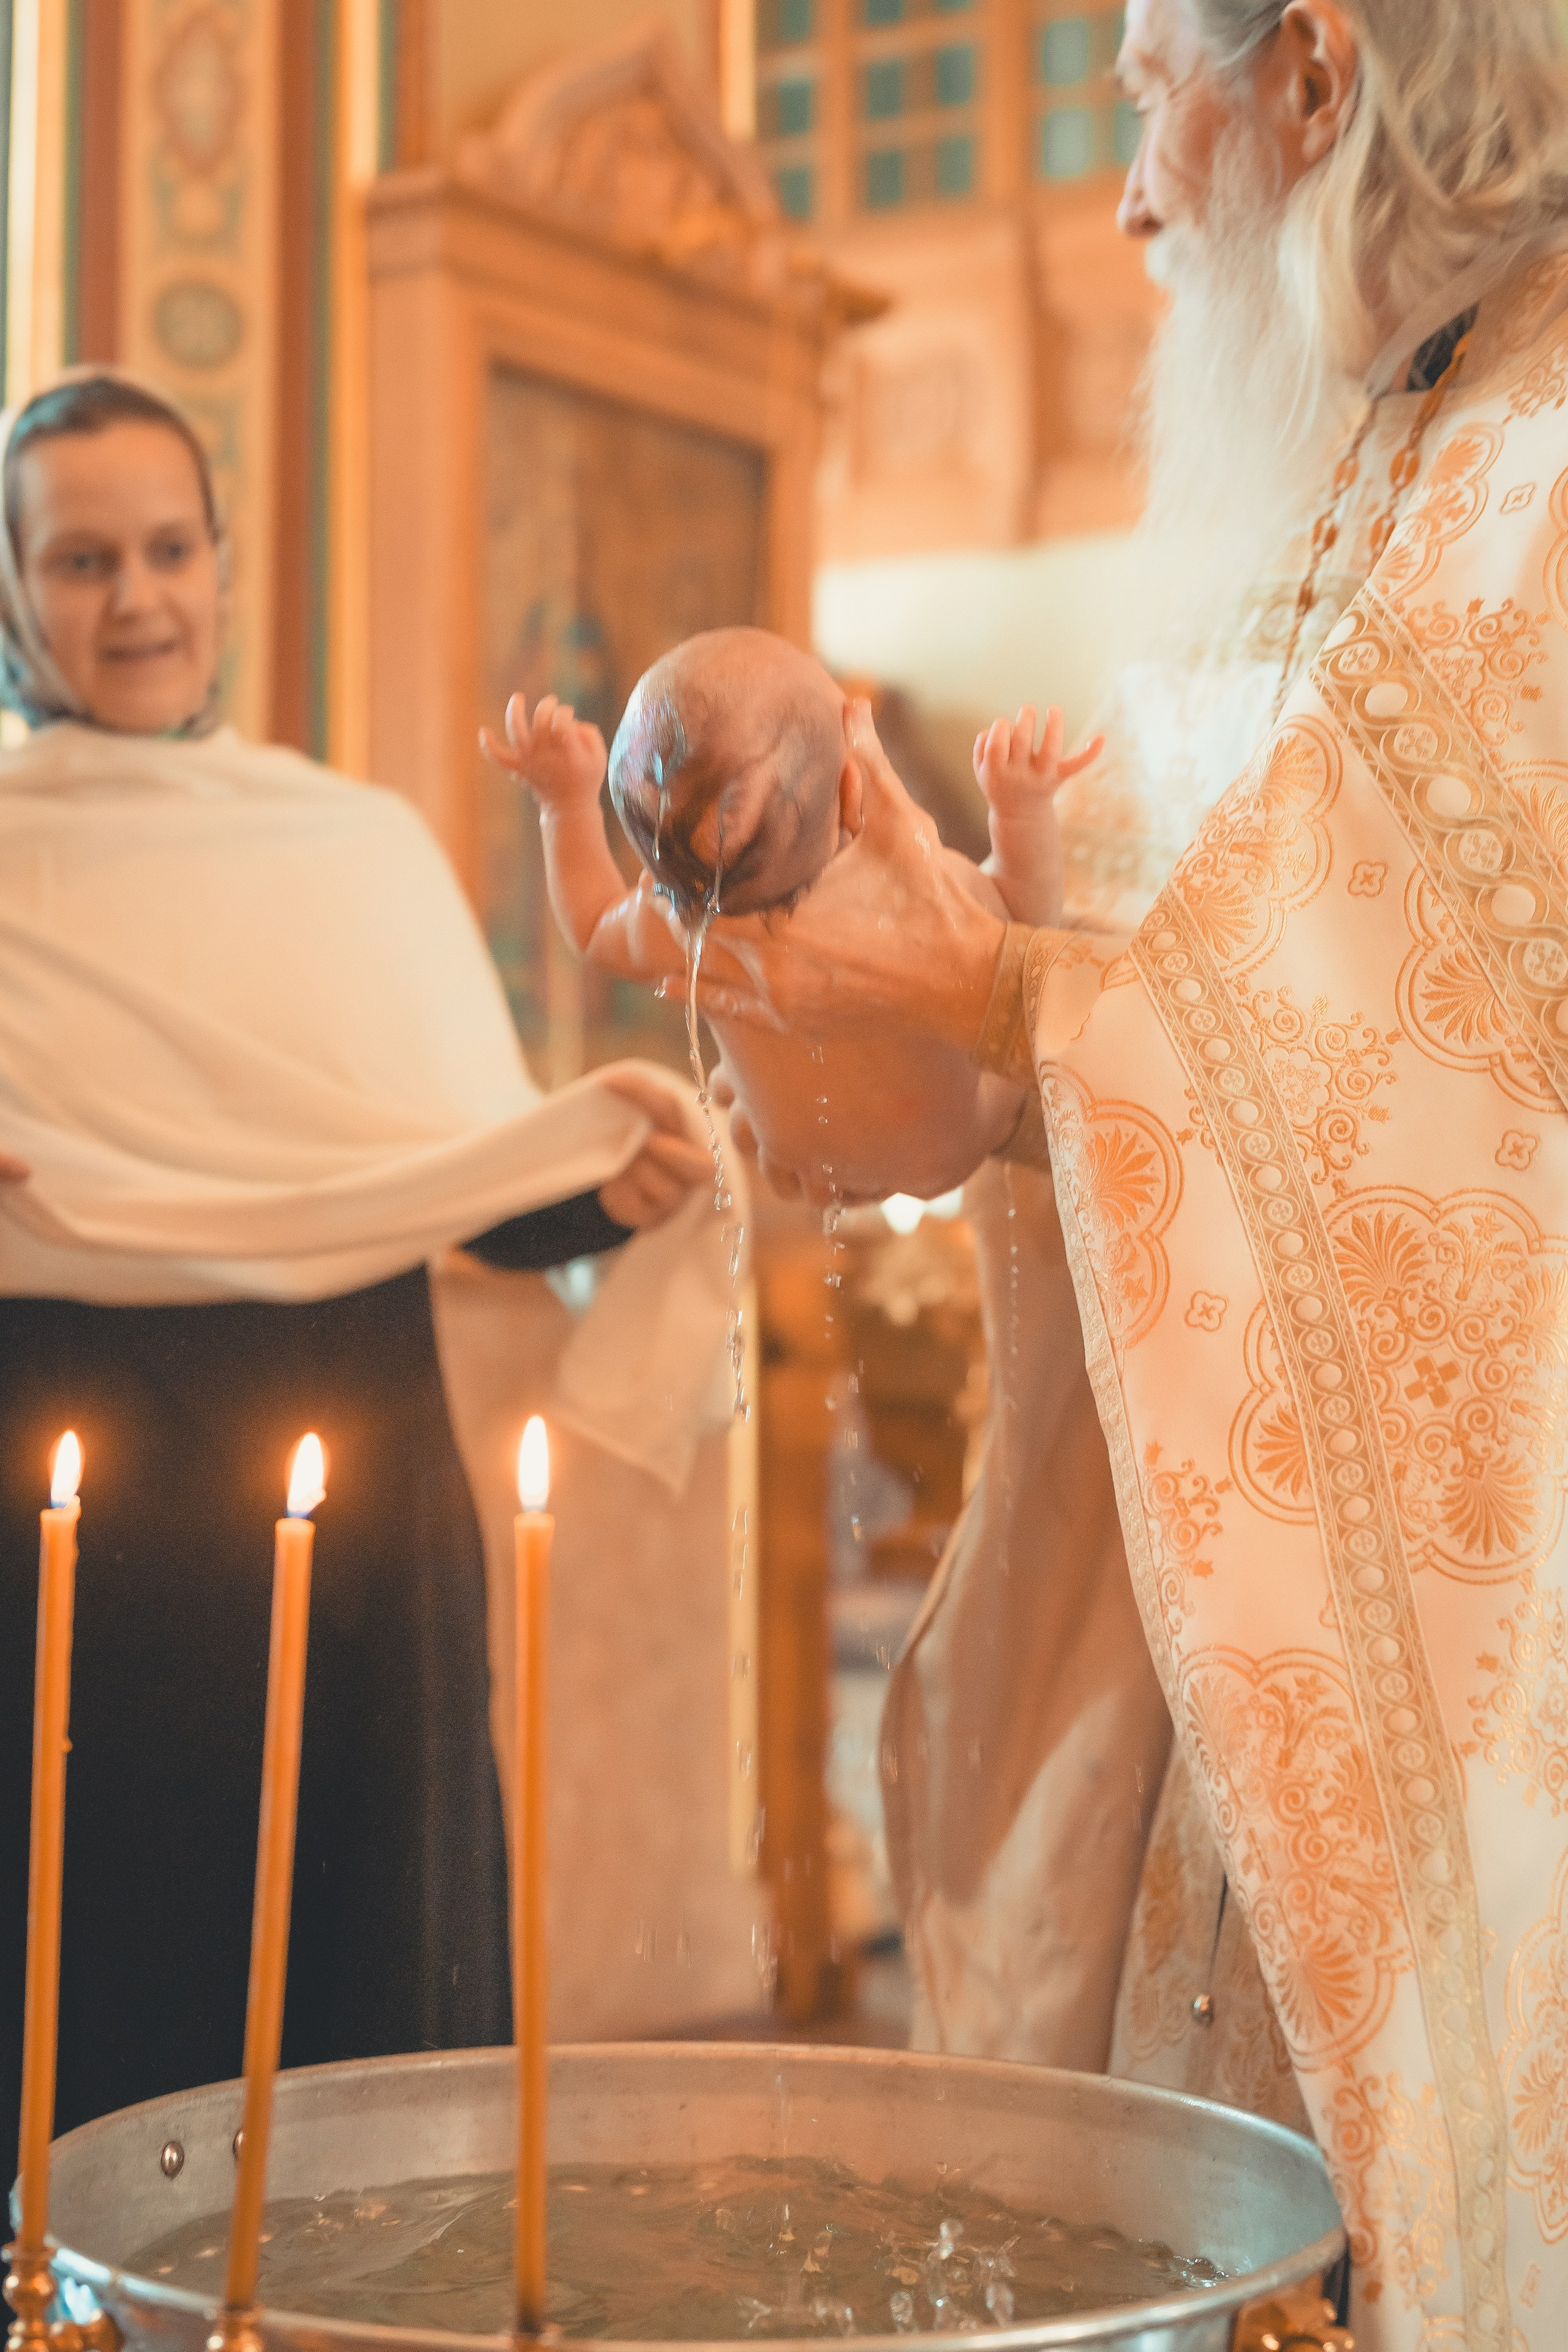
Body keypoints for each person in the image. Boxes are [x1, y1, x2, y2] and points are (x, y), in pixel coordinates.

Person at [638, 3, 1568, 2340]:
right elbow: (1193, 990)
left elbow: (1404, 1064)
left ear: (1316, 81)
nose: (1127, 190)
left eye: (1147, 90)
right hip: (1261, 1640)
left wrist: (997, 997)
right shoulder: (1414, 440)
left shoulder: (1532, 467)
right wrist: (946, 980)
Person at [0, 371, 723, 2169]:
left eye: (170, 548)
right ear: (13, 589)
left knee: (357, 2005)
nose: (138, 598)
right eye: (81, 559)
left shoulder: (359, 848)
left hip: (356, 1497)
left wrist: (602, 1187)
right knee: (76, 1993)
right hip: (64, 1502)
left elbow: (453, 1175)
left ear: (228, 566)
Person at [483, 627, 1095, 1198]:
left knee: (736, 1086)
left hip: (798, 1152)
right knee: (1014, 1077)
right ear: (854, 789)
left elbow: (590, 924)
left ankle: (765, 1099)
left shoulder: (679, 926)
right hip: (943, 1154)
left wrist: (562, 805)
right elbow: (1027, 921)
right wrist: (1019, 810)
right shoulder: (912, 902)